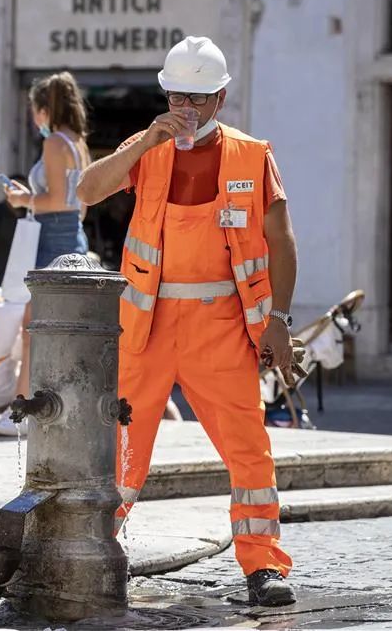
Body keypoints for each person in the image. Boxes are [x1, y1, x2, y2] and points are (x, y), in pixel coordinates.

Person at [77, 36, 298, 606]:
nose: (188, 110)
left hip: (221, 323)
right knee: (121, 447)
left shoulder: (253, 156)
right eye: (178, 97)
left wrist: (278, 318)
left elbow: (281, 239)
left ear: (220, 98)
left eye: (199, 99)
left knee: (249, 447)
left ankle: (264, 566)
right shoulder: (148, 146)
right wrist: (143, 142)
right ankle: (91, 553)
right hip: (147, 322)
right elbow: (86, 190)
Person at [0, 72, 90, 437]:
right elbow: (81, 203)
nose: (34, 119)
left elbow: (54, 201)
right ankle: (44, 405)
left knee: (32, 327)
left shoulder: (53, 145)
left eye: (35, 111)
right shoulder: (78, 144)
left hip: (50, 238)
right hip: (72, 236)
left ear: (46, 110)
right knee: (58, 327)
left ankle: (21, 408)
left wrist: (21, 199)